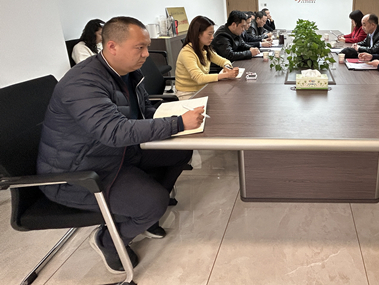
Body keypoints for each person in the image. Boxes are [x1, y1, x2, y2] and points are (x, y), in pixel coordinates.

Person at [37, 17, 202, 273]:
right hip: (79, 173)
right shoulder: (83, 83)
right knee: (154, 203)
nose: (146, 54)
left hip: (117, 152)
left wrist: (175, 114)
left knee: (178, 151)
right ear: (112, 46)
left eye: (147, 47)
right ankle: (108, 241)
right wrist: (177, 123)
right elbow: (113, 131)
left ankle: (142, 214)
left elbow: (144, 111)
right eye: (140, 48)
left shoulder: (128, 73)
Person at [175, 15, 240, 99]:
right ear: (198, 34)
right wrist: (226, 75)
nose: (212, 37)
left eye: (213, 33)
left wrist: (227, 67)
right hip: (187, 93)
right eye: (209, 34)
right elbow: (199, 78)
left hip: (203, 88)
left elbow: (223, 61)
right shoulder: (187, 52)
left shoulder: (205, 48)